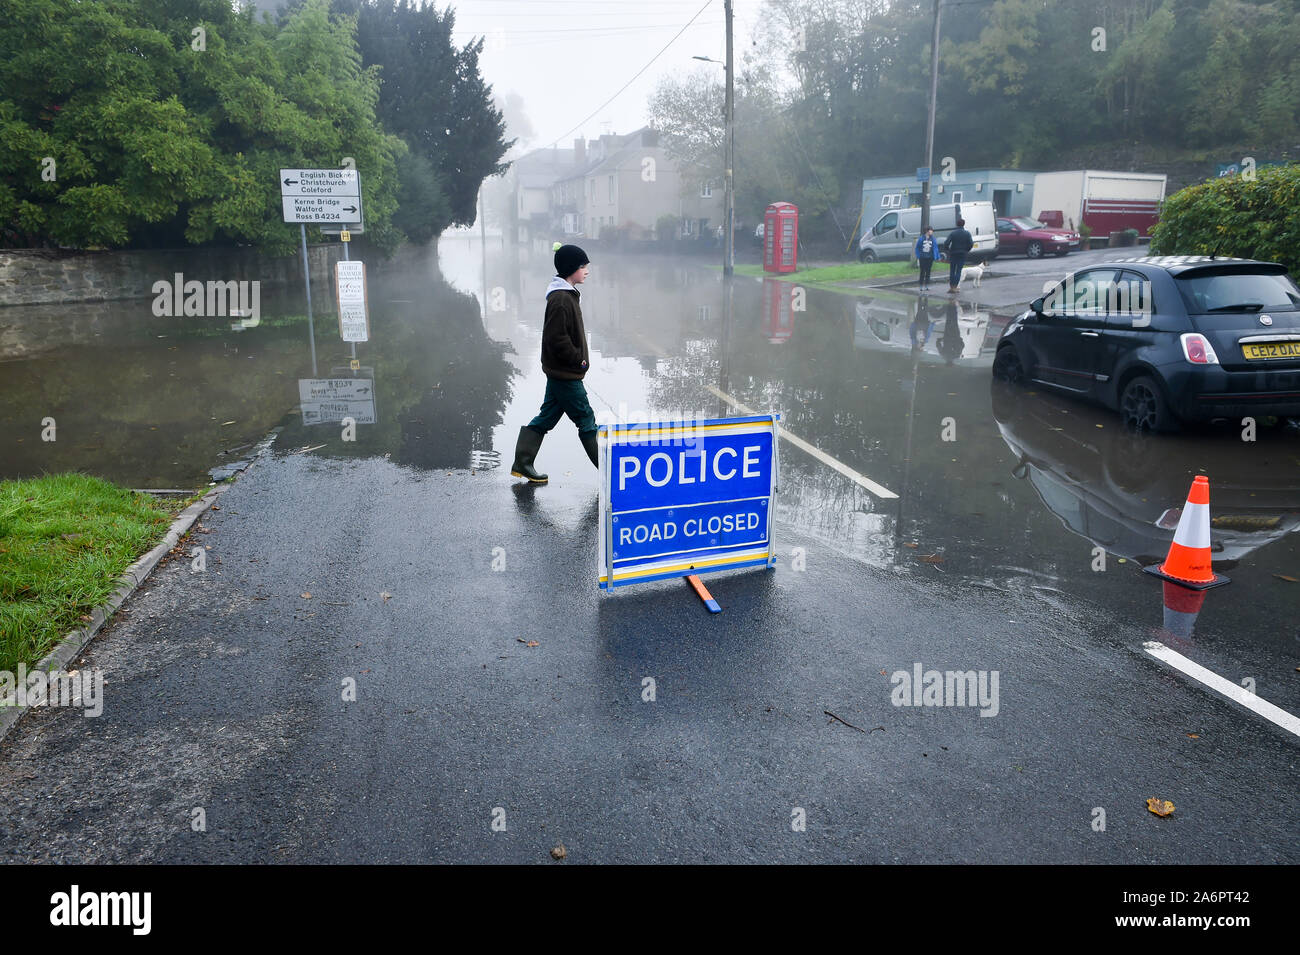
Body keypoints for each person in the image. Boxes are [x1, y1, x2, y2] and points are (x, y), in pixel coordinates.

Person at [509, 243, 598, 484]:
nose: (587, 269)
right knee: (586, 419)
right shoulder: (561, 299)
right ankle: (610, 474)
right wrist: (577, 360)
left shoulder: (566, 294)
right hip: (565, 374)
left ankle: (522, 462)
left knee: (547, 416)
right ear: (571, 269)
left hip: (560, 372)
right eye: (583, 266)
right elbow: (555, 338)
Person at [942, 217, 973, 294]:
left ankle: (951, 287)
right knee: (958, 270)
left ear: (957, 224)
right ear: (964, 224)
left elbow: (946, 243)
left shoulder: (953, 233)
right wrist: (966, 250)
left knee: (952, 270)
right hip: (962, 254)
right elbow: (971, 244)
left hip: (953, 253)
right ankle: (955, 287)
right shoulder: (967, 233)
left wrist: (948, 250)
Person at [914, 226, 939, 291]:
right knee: (922, 271)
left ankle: (927, 285)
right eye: (931, 230)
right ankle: (921, 285)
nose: (932, 232)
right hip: (922, 257)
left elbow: (935, 248)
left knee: (928, 271)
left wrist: (936, 256)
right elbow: (917, 247)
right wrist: (918, 255)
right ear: (927, 231)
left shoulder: (933, 239)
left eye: (932, 231)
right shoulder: (921, 238)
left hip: (930, 257)